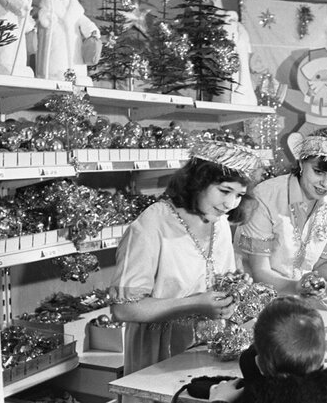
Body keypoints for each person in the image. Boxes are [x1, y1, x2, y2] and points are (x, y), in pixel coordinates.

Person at [109, 139, 261, 375]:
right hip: (161, 355)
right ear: (198, 181)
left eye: (239, 195)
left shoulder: (219, 221)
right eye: (224, 191)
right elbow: (123, 309)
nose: (230, 204)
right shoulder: (152, 224)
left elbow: (215, 283)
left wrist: (235, 289)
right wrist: (195, 304)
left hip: (209, 349)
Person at [236, 128, 327, 296]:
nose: (325, 184)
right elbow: (260, 272)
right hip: (254, 299)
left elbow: (322, 265)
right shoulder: (266, 196)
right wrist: (298, 288)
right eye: (318, 172)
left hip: (296, 300)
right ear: (301, 163)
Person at [36, 0, 100, 84]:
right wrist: (49, 18)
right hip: (55, 45)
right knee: (56, 64)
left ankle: (75, 76)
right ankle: (54, 75)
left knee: (75, 65)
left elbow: (85, 22)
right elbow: (44, 21)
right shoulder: (48, 9)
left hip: (74, 48)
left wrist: (91, 30)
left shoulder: (76, 11)